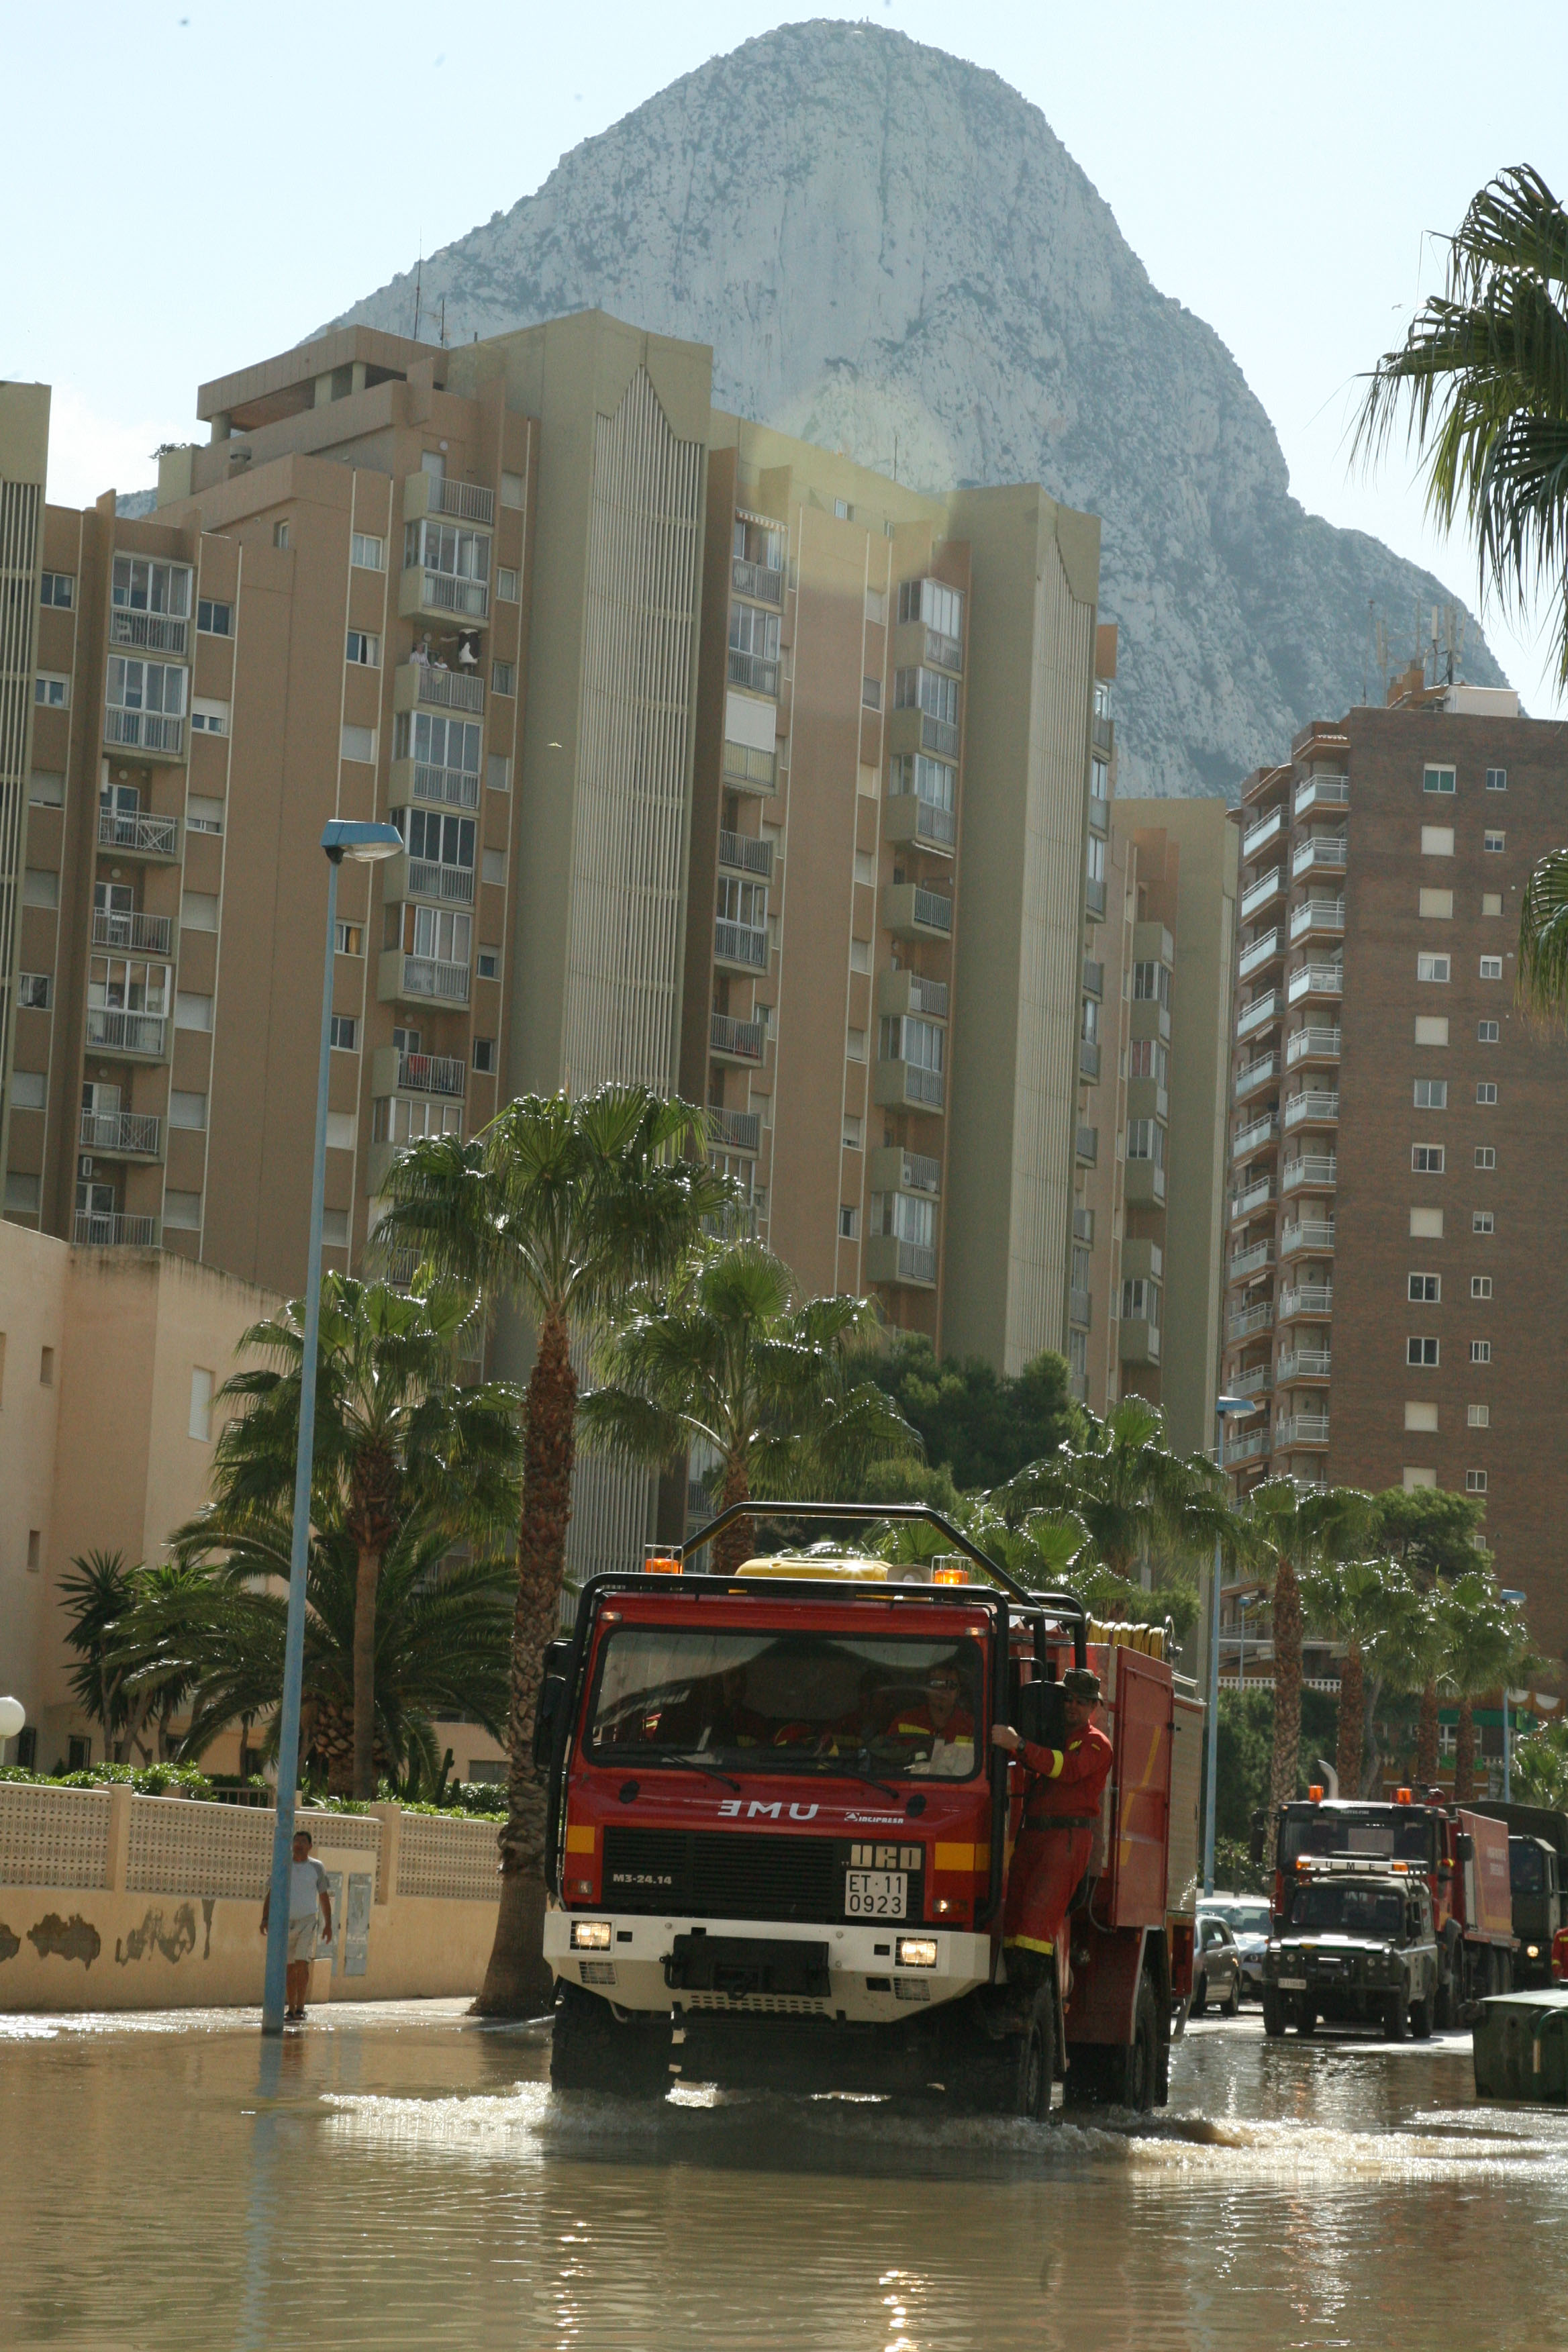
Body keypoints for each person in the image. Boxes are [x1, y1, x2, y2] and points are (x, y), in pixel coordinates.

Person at [992, 1666, 1114, 1996]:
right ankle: (1012, 1993)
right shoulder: (1050, 1735)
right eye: (1068, 1699)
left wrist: (1019, 1744)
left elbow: (1066, 1769)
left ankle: (1028, 2001)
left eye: (1081, 1701)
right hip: (1035, 1834)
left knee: (1035, 1924)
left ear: (1093, 1707)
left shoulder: (1096, 1744)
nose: (1072, 1706)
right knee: (1014, 1920)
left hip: (1066, 1840)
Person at [260, 1828, 333, 2022]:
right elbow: (272, 1893)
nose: (299, 1845)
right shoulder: (283, 1865)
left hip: (307, 1922)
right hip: (285, 1923)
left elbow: (324, 1897)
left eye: (303, 1842)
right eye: (296, 1841)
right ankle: (291, 2009)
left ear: (310, 1846)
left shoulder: (317, 1868)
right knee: (290, 1967)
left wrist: (328, 1924)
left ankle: (301, 2007)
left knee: (302, 1964)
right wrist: (265, 1918)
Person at [891, 1661, 977, 1777]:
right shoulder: (904, 1721)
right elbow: (889, 1766)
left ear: (958, 1692)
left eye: (951, 1685)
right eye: (936, 1684)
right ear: (926, 1689)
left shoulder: (972, 1727)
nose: (943, 1691)